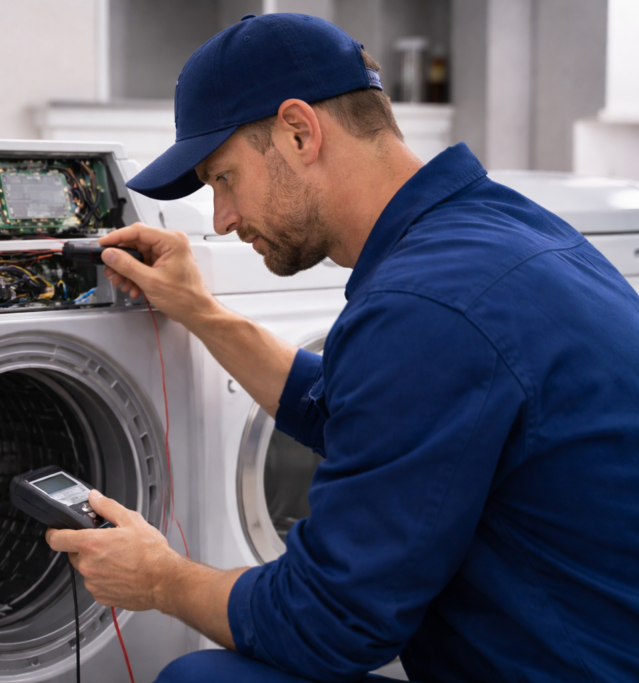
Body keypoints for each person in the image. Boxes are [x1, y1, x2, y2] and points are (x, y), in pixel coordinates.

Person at [46, 13, 639, 683]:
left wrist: (159, 578)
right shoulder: (495, 232)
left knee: (200, 680)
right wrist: (199, 311)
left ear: (300, 132)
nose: (221, 220)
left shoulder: (425, 306)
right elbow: (360, 413)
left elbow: (327, 622)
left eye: (224, 179)